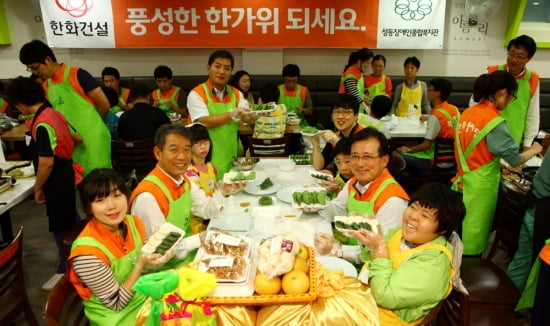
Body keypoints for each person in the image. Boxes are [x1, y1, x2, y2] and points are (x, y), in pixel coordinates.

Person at [349, 183, 466, 325]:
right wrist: (369, 240)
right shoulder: (400, 234)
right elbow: (371, 261)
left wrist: (379, 247)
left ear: (442, 229)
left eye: (425, 215)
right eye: (413, 207)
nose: (413, 216)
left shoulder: (433, 265)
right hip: (365, 302)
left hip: (381, 319)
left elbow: (384, 297)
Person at [453, 71, 542, 255]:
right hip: (479, 190)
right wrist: (534, 150)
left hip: (460, 183)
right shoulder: (494, 121)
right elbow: (515, 160)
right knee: (472, 241)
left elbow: (474, 149)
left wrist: (492, 162)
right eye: (512, 97)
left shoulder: (468, 113)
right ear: (503, 93)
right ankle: (469, 273)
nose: (510, 102)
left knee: (458, 235)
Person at [129, 124, 245, 264]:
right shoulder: (148, 196)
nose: (182, 157)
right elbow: (158, 253)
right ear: (158, 153)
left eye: (186, 150)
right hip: (165, 272)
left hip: (187, 256)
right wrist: (200, 239)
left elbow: (204, 210)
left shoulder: (184, 180)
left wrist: (224, 192)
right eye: (174, 150)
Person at [68, 169, 172, 325]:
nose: (111, 206)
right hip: (118, 317)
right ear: (89, 208)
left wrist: (158, 253)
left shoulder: (133, 223)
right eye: (100, 200)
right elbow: (116, 303)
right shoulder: (86, 254)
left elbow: (145, 271)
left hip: (145, 298)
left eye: (117, 195)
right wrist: (140, 264)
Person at [5, 76, 80, 291]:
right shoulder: (54, 113)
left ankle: (64, 269)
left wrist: (37, 188)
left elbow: (46, 162)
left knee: (59, 224)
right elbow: (78, 138)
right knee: (70, 218)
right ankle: (76, 258)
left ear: (20, 101)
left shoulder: (43, 123)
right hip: (65, 172)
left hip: (55, 177)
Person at [19, 39, 112, 176]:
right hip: (72, 144)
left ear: (48, 59)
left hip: (93, 141)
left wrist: (95, 126)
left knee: (99, 185)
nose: (35, 73)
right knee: (79, 185)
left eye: (35, 67)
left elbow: (104, 104)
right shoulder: (46, 86)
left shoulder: (77, 74)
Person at [318, 127, 409, 263]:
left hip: (372, 266)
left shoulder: (392, 199)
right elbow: (338, 210)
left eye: (368, 157)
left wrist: (339, 250)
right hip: (351, 251)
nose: (360, 163)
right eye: (355, 157)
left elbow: (384, 249)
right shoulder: (355, 182)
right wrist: (317, 203)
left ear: (384, 161)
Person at [187, 49, 255, 179]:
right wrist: (231, 115)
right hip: (204, 157)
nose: (222, 72)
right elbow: (203, 121)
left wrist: (253, 115)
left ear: (231, 72)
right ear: (208, 68)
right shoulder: (197, 93)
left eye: (227, 68)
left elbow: (246, 115)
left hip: (230, 154)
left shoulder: (236, 93)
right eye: (217, 66)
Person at [487, 35, 540, 149]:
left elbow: (532, 114)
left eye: (520, 56)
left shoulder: (532, 79)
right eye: (511, 54)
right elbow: (475, 103)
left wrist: (527, 144)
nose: (513, 59)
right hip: (488, 134)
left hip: (514, 137)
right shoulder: (493, 72)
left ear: (529, 58)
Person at [507, 153, 550, 291]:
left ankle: (510, 301)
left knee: (522, 261)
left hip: (534, 208)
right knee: (536, 269)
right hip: (543, 215)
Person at [397, 78, 459, 169]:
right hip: (454, 160)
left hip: (436, 161)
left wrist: (408, 149)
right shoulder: (454, 109)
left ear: (438, 93)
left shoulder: (435, 116)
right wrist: (429, 118)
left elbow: (426, 145)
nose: (427, 92)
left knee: (397, 155)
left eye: (430, 89)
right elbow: (445, 119)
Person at [311, 94, 365, 174]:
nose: (340, 116)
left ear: (356, 116)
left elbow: (360, 170)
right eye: (336, 112)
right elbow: (319, 166)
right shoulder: (337, 135)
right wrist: (315, 143)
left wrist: (337, 141)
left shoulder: (364, 136)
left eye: (345, 112)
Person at [185, 123, 217, 234]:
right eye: (197, 143)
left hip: (214, 218)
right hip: (198, 228)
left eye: (205, 142)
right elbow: (200, 208)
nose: (203, 147)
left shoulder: (210, 167)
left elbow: (215, 189)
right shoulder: (189, 173)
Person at [339, 48, 374, 114]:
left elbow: (358, 91)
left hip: (357, 110)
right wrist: (367, 108)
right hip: (348, 111)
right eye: (367, 62)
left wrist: (365, 98)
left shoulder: (359, 72)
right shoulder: (350, 74)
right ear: (360, 61)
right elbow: (355, 95)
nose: (368, 66)